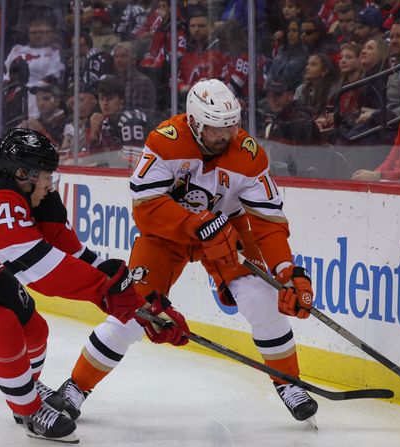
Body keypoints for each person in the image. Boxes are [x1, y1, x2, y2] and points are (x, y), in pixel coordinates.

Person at [0, 128, 188, 442]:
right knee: (0, 326)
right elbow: (42, 271)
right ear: (22, 173)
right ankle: (29, 410)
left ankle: (24, 387)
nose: (51, 184)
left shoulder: (34, 196)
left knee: (35, 329)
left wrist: (143, 305)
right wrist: (111, 296)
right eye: (46, 175)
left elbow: (77, 256)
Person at [51, 79, 319, 424]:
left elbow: (267, 222)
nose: (226, 135)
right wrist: (194, 224)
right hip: (165, 237)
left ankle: (289, 384)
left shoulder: (249, 154)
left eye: (232, 126)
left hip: (227, 234)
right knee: (134, 312)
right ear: (194, 122)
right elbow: (146, 206)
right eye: (216, 128)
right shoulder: (164, 141)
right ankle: (76, 387)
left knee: (262, 298)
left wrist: (286, 271)